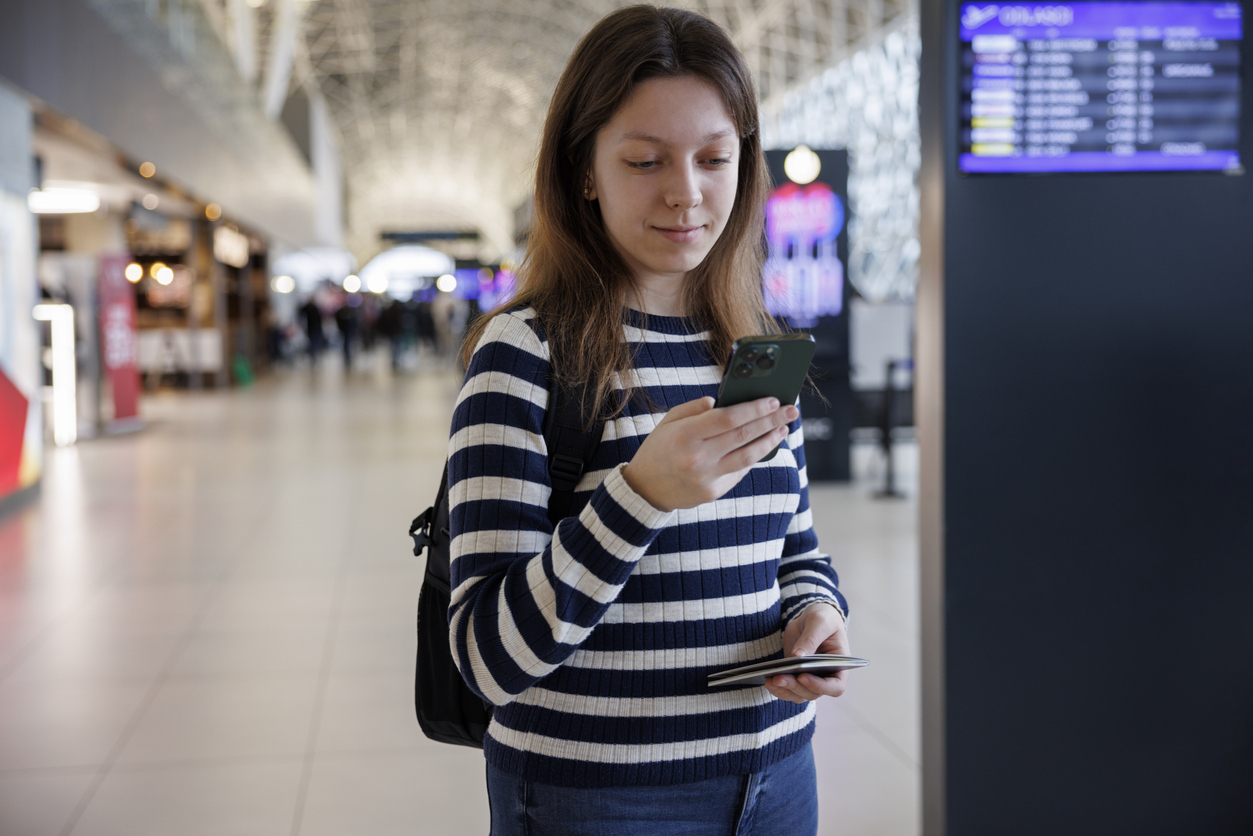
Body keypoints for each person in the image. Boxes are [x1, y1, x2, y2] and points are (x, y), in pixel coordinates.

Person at [446, 7, 850, 835]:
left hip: (777, 773)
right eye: (644, 160)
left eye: (714, 158)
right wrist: (639, 496)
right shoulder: (525, 353)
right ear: (584, 171)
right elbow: (486, 658)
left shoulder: (753, 345)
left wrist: (817, 614)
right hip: (598, 795)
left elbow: (796, 547)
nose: (685, 192)